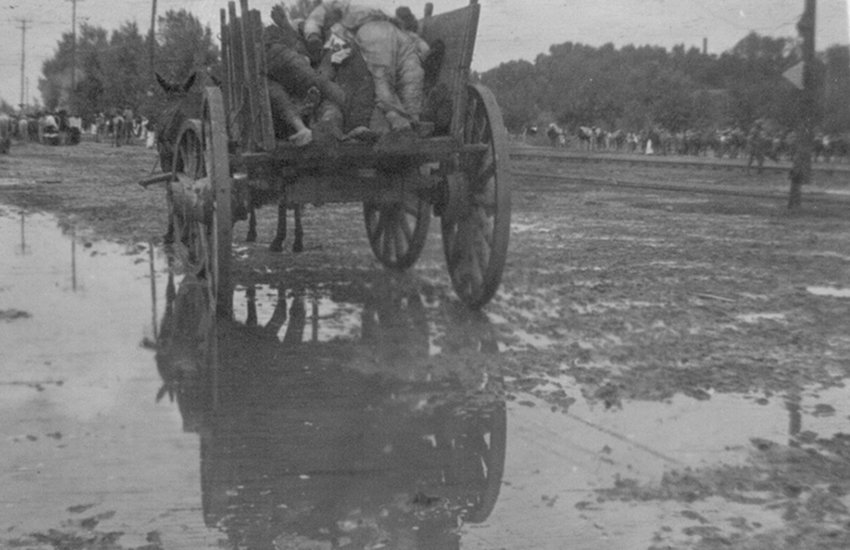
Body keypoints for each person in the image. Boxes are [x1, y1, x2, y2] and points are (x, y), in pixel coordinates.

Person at [304, 1, 428, 134]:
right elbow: (424, 50)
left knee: (381, 77)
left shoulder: (338, 28)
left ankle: (397, 119)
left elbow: (314, 21)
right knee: (411, 74)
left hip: (373, 31)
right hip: (398, 33)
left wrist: (313, 36)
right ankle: (413, 119)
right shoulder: (373, 10)